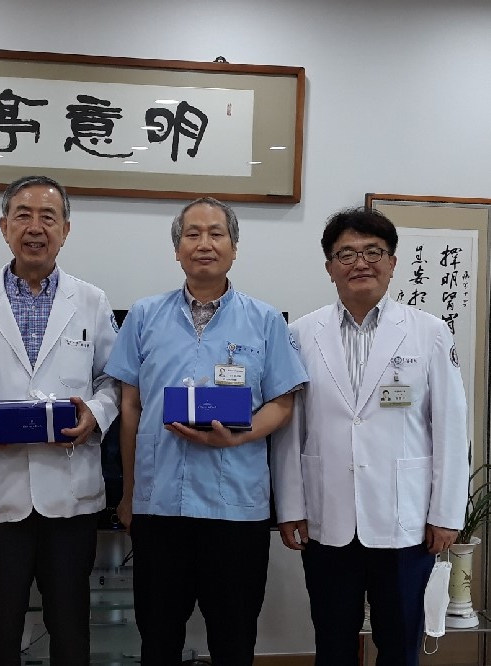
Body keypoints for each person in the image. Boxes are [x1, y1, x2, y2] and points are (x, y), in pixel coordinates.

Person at [104, 197, 308, 666]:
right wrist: (129, 493)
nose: (204, 243)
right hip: (159, 505)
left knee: (234, 640)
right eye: (192, 234)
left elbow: (283, 403)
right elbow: (130, 406)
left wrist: (238, 436)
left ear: (234, 247)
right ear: (177, 249)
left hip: (235, 508)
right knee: (158, 639)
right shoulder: (144, 315)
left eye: (217, 233)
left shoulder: (264, 320)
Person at [271, 207, 469, 666]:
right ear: (329, 267)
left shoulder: (429, 332)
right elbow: (289, 429)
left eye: (373, 252)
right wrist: (291, 506)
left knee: (399, 644)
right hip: (327, 515)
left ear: (392, 262)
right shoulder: (300, 334)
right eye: (347, 254)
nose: (360, 262)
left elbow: (451, 426)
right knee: (332, 642)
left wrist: (445, 513)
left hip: (406, 518)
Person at [0, 175, 120, 666]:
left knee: (70, 626)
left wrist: (95, 414)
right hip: (0, 493)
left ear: (66, 229)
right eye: (23, 215)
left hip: (71, 495)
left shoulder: (92, 301)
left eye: (48, 217)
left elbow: (113, 380)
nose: (35, 227)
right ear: (4, 227)